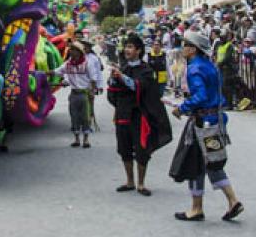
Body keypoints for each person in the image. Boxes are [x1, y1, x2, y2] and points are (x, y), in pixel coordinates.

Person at [170, 31, 243, 222]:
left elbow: (200, 96)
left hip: (202, 123)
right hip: (215, 119)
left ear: (193, 49)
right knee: (213, 161)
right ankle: (233, 200)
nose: (182, 47)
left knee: (195, 164)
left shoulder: (194, 68)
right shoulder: (210, 66)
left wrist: (182, 108)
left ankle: (196, 208)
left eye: (185, 44)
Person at [107, 32, 172, 196]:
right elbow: (114, 92)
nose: (127, 50)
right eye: (126, 46)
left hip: (139, 115)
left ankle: (141, 183)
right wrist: (114, 80)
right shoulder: (124, 68)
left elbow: (139, 87)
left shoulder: (146, 70)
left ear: (139, 50)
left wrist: (121, 77)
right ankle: (129, 181)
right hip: (123, 113)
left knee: (142, 149)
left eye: (130, 47)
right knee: (124, 148)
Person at [52, 41, 96, 148]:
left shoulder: (87, 63)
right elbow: (57, 71)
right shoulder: (68, 64)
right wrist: (41, 73)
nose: (70, 51)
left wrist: (92, 92)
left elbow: (93, 79)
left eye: (73, 49)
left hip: (84, 94)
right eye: (70, 49)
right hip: (73, 94)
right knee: (74, 117)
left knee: (85, 117)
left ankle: (86, 140)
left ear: (79, 52)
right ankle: (76, 139)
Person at [216, 30, 238, 110]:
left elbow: (228, 57)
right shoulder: (220, 46)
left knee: (227, 87)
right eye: (221, 38)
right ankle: (224, 103)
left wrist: (220, 63)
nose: (222, 39)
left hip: (227, 68)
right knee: (222, 87)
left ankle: (229, 105)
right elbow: (218, 55)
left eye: (223, 38)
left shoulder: (229, 45)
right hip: (221, 68)